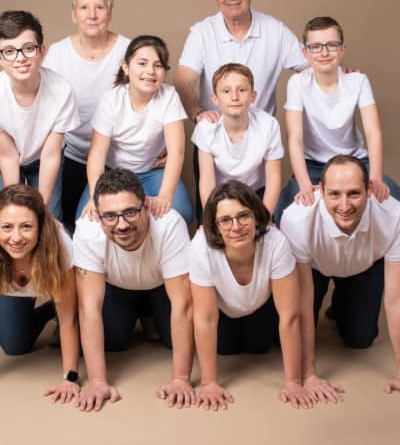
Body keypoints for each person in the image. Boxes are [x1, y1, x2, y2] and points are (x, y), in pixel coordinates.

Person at [174, 0, 306, 220]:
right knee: (213, 225)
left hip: (259, 145)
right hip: (214, 141)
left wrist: (338, 72)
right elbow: (183, 81)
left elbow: (311, 68)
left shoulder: (275, 31)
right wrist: (198, 112)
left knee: (260, 225)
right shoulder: (202, 32)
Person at [73, 169, 194, 411]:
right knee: (115, 341)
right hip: (117, 287)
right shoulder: (87, 230)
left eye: (130, 212)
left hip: (161, 285)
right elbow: (89, 308)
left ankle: (149, 308)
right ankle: (137, 310)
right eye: (110, 216)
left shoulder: (169, 225)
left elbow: (183, 305)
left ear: (146, 206)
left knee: (173, 341)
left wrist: (181, 378)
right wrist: (97, 382)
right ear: (98, 215)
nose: (122, 225)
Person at [280, 155, 400, 399]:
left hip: (363, 264)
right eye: (335, 194)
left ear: (369, 189)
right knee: (285, 332)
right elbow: (302, 304)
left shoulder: (394, 216)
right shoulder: (297, 219)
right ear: (320, 190)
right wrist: (310, 374)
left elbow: (396, 302)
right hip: (314, 268)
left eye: (354, 193)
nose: (344, 206)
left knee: (360, 339)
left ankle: (342, 302)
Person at [189, 180, 314, 411]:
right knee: (226, 348)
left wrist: (293, 382)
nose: (236, 227)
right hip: (222, 315)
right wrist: (209, 383)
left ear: (256, 216)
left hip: (261, 308)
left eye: (243, 216)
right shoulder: (200, 247)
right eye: (225, 220)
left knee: (260, 346)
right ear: (215, 226)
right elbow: (205, 319)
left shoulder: (275, 242)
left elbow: (290, 316)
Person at [275, 16, 400, 225]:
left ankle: (380, 258)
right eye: (315, 47)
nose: (324, 53)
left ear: (342, 50)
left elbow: (373, 133)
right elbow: (294, 138)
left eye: (332, 45)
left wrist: (375, 178)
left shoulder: (358, 81)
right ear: (305, 53)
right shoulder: (297, 83)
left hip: (354, 160)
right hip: (314, 165)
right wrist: (305, 184)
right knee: (285, 208)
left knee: (392, 196)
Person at [43, 0, 130, 232]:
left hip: (117, 156)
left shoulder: (129, 50)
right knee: (70, 225)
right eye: (84, 7)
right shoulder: (56, 55)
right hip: (70, 155)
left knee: (119, 221)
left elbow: (151, 101)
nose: (92, 15)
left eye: (99, 7)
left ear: (109, 12)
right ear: (74, 14)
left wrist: (163, 145)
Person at [79, 35, 193, 225]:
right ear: (126, 67)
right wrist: (95, 196)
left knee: (181, 214)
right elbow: (97, 153)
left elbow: (176, 152)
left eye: (158, 65)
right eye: (142, 63)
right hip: (113, 173)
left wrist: (164, 196)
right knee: (86, 219)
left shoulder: (169, 96)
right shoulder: (111, 99)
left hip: (152, 171)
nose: (150, 71)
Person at [0, 184, 79, 403]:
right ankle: (47, 310)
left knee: (81, 327)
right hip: (16, 293)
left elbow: (67, 320)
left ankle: (57, 303)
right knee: (14, 345)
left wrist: (70, 378)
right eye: (6, 227)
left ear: (40, 227)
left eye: (26, 226)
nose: (16, 238)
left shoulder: (60, 248)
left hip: (62, 289)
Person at [0, 11, 79, 221]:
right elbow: (7, 156)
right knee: (9, 217)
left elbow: (51, 154)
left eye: (28, 48)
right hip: (7, 159)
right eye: (9, 51)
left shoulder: (61, 91)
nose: (20, 58)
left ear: (42, 51)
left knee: (49, 218)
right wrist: (14, 206)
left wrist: (42, 208)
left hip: (44, 159)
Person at [192, 63, 283, 214]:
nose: (234, 97)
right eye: (226, 91)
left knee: (263, 234)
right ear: (215, 98)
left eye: (241, 90)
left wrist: (265, 217)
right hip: (219, 195)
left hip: (255, 193)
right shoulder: (205, 128)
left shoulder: (269, 125)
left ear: (253, 96)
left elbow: (274, 177)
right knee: (212, 234)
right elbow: (207, 180)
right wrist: (211, 219)